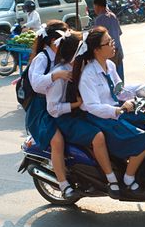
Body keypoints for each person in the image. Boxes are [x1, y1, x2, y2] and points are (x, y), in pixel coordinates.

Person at [71, 26, 145, 193]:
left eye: (112, 41)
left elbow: (120, 91)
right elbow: (93, 106)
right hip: (102, 118)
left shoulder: (110, 65)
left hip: (117, 112)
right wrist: (117, 110)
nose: (113, 44)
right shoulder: (88, 75)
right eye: (108, 42)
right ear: (96, 50)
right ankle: (128, 178)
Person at [46, 29, 121, 197]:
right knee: (98, 137)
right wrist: (75, 104)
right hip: (65, 118)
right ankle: (111, 179)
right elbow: (53, 109)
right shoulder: (61, 74)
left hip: (79, 112)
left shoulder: (82, 67)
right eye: (82, 48)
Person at [25, 20, 75, 199]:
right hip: (40, 111)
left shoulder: (62, 57)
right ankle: (63, 184)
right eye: (62, 39)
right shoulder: (42, 58)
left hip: (58, 104)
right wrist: (56, 75)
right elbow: (37, 84)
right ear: (51, 41)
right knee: (57, 141)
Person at [93, 0, 125, 83]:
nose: (94, 9)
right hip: (118, 51)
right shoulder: (113, 16)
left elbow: (97, 39)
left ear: (98, 6)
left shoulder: (99, 19)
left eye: (94, 7)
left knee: (112, 81)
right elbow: (119, 33)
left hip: (109, 52)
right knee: (120, 79)